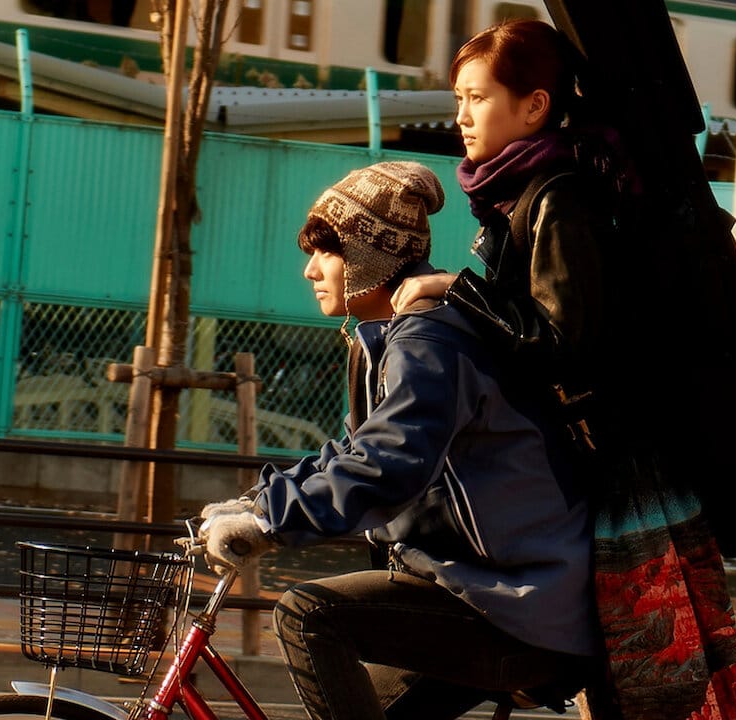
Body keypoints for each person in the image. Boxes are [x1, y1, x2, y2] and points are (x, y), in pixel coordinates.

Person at [389, 20, 736, 720]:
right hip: (585, 476)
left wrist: (453, 289)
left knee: (644, 684)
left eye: (477, 97)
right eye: (459, 98)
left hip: (618, 484)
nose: (461, 116)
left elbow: (562, 340)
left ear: (533, 106)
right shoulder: (521, 191)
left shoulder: (559, 197)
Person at [192, 160, 599, 720]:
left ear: (368, 257)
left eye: (325, 252)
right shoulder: (386, 338)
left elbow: (391, 462)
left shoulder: (428, 340)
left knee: (307, 614)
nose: (310, 270)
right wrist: (261, 502)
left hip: (518, 606)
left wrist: (269, 523)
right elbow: (355, 452)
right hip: (480, 592)